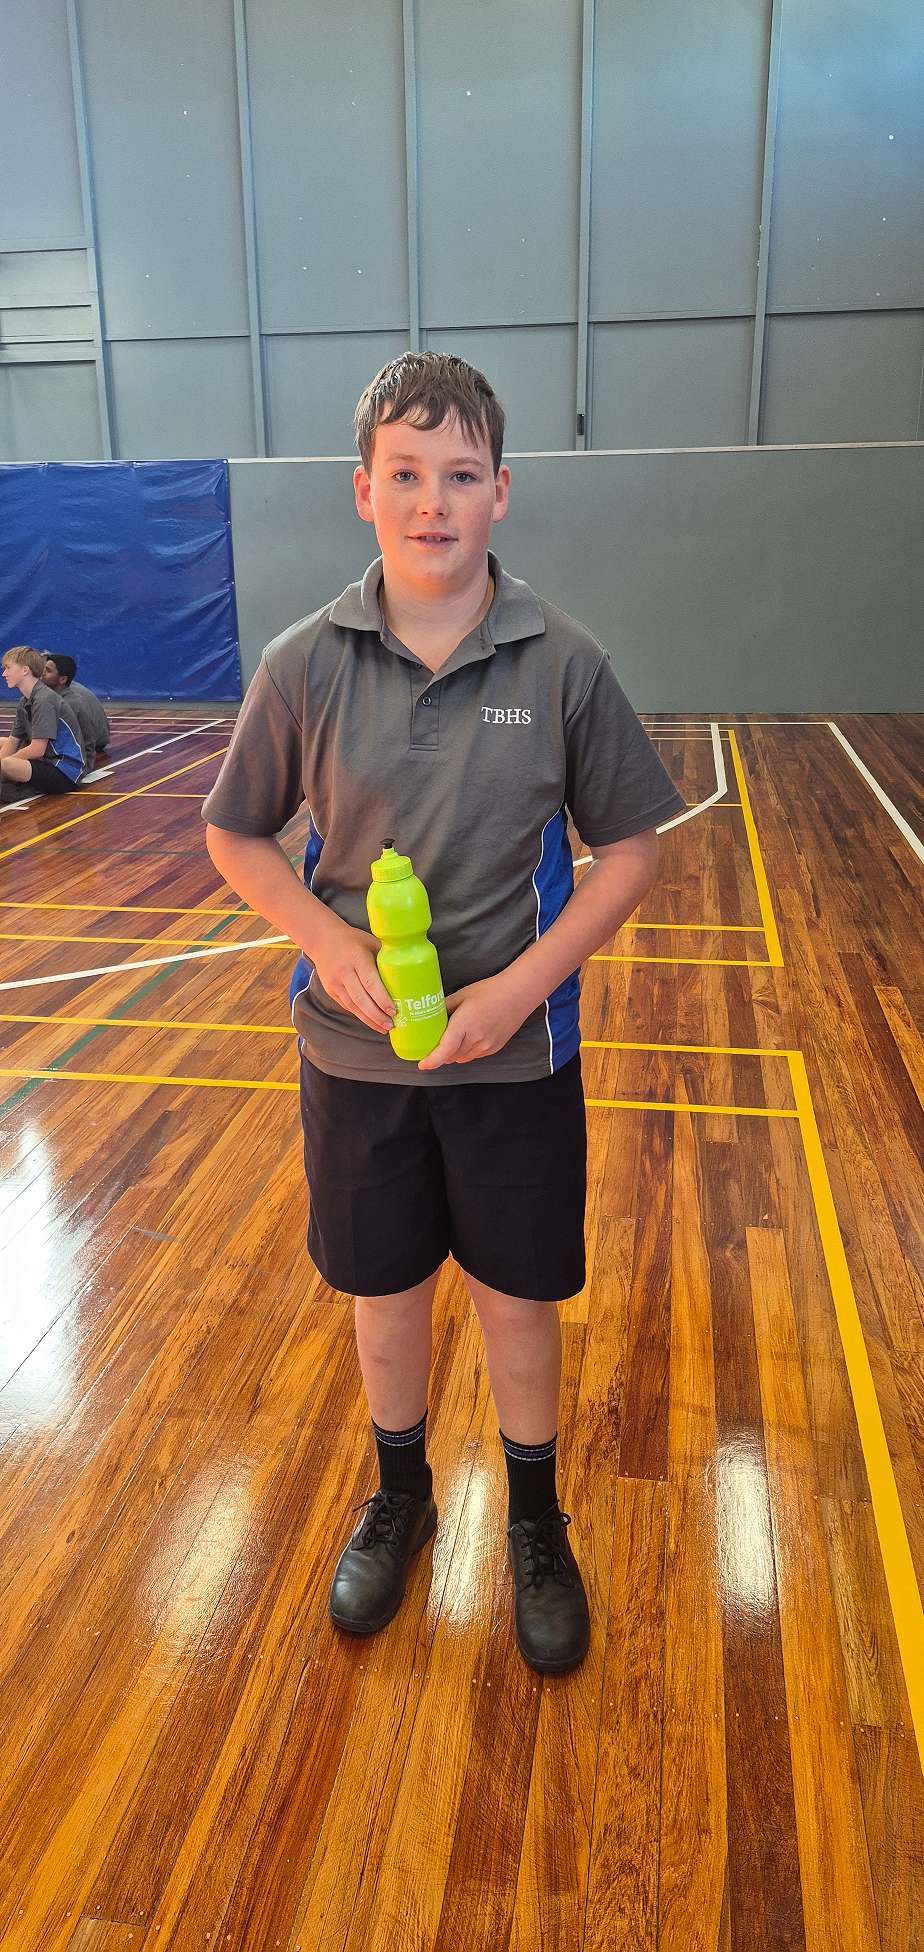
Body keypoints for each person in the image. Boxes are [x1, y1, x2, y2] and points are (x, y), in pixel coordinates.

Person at [202, 353, 686, 1674]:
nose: (433, 502)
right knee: (387, 1290)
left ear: (501, 493)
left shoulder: (563, 660)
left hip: (517, 1060)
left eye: (460, 475)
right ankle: (401, 1495)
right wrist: (324, 940)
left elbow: (633, 850)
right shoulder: (303, 664)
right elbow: (237, 834)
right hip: (358, 1063)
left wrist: (522, 986)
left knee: (519, 1299)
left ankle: (535, 1520)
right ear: (363, 491)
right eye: (406, 475)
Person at [1, 646, 87, 798]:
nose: (4, 674)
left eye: (8, 668)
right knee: (5, 754)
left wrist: (3, 765)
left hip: (65, 770)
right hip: (44, 762)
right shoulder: (24, 702)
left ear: (25, 670)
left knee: (9, 764)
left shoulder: (44, 700)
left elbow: (37, 749)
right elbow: (13, 741)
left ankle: (21, 791)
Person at [43, 653, 111, 764]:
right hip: (92, 743)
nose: (41, 673)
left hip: (85, 751)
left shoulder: (69, 701)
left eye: (47, 670)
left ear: (63, 679)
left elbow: (56, 740)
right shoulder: (60, 692)